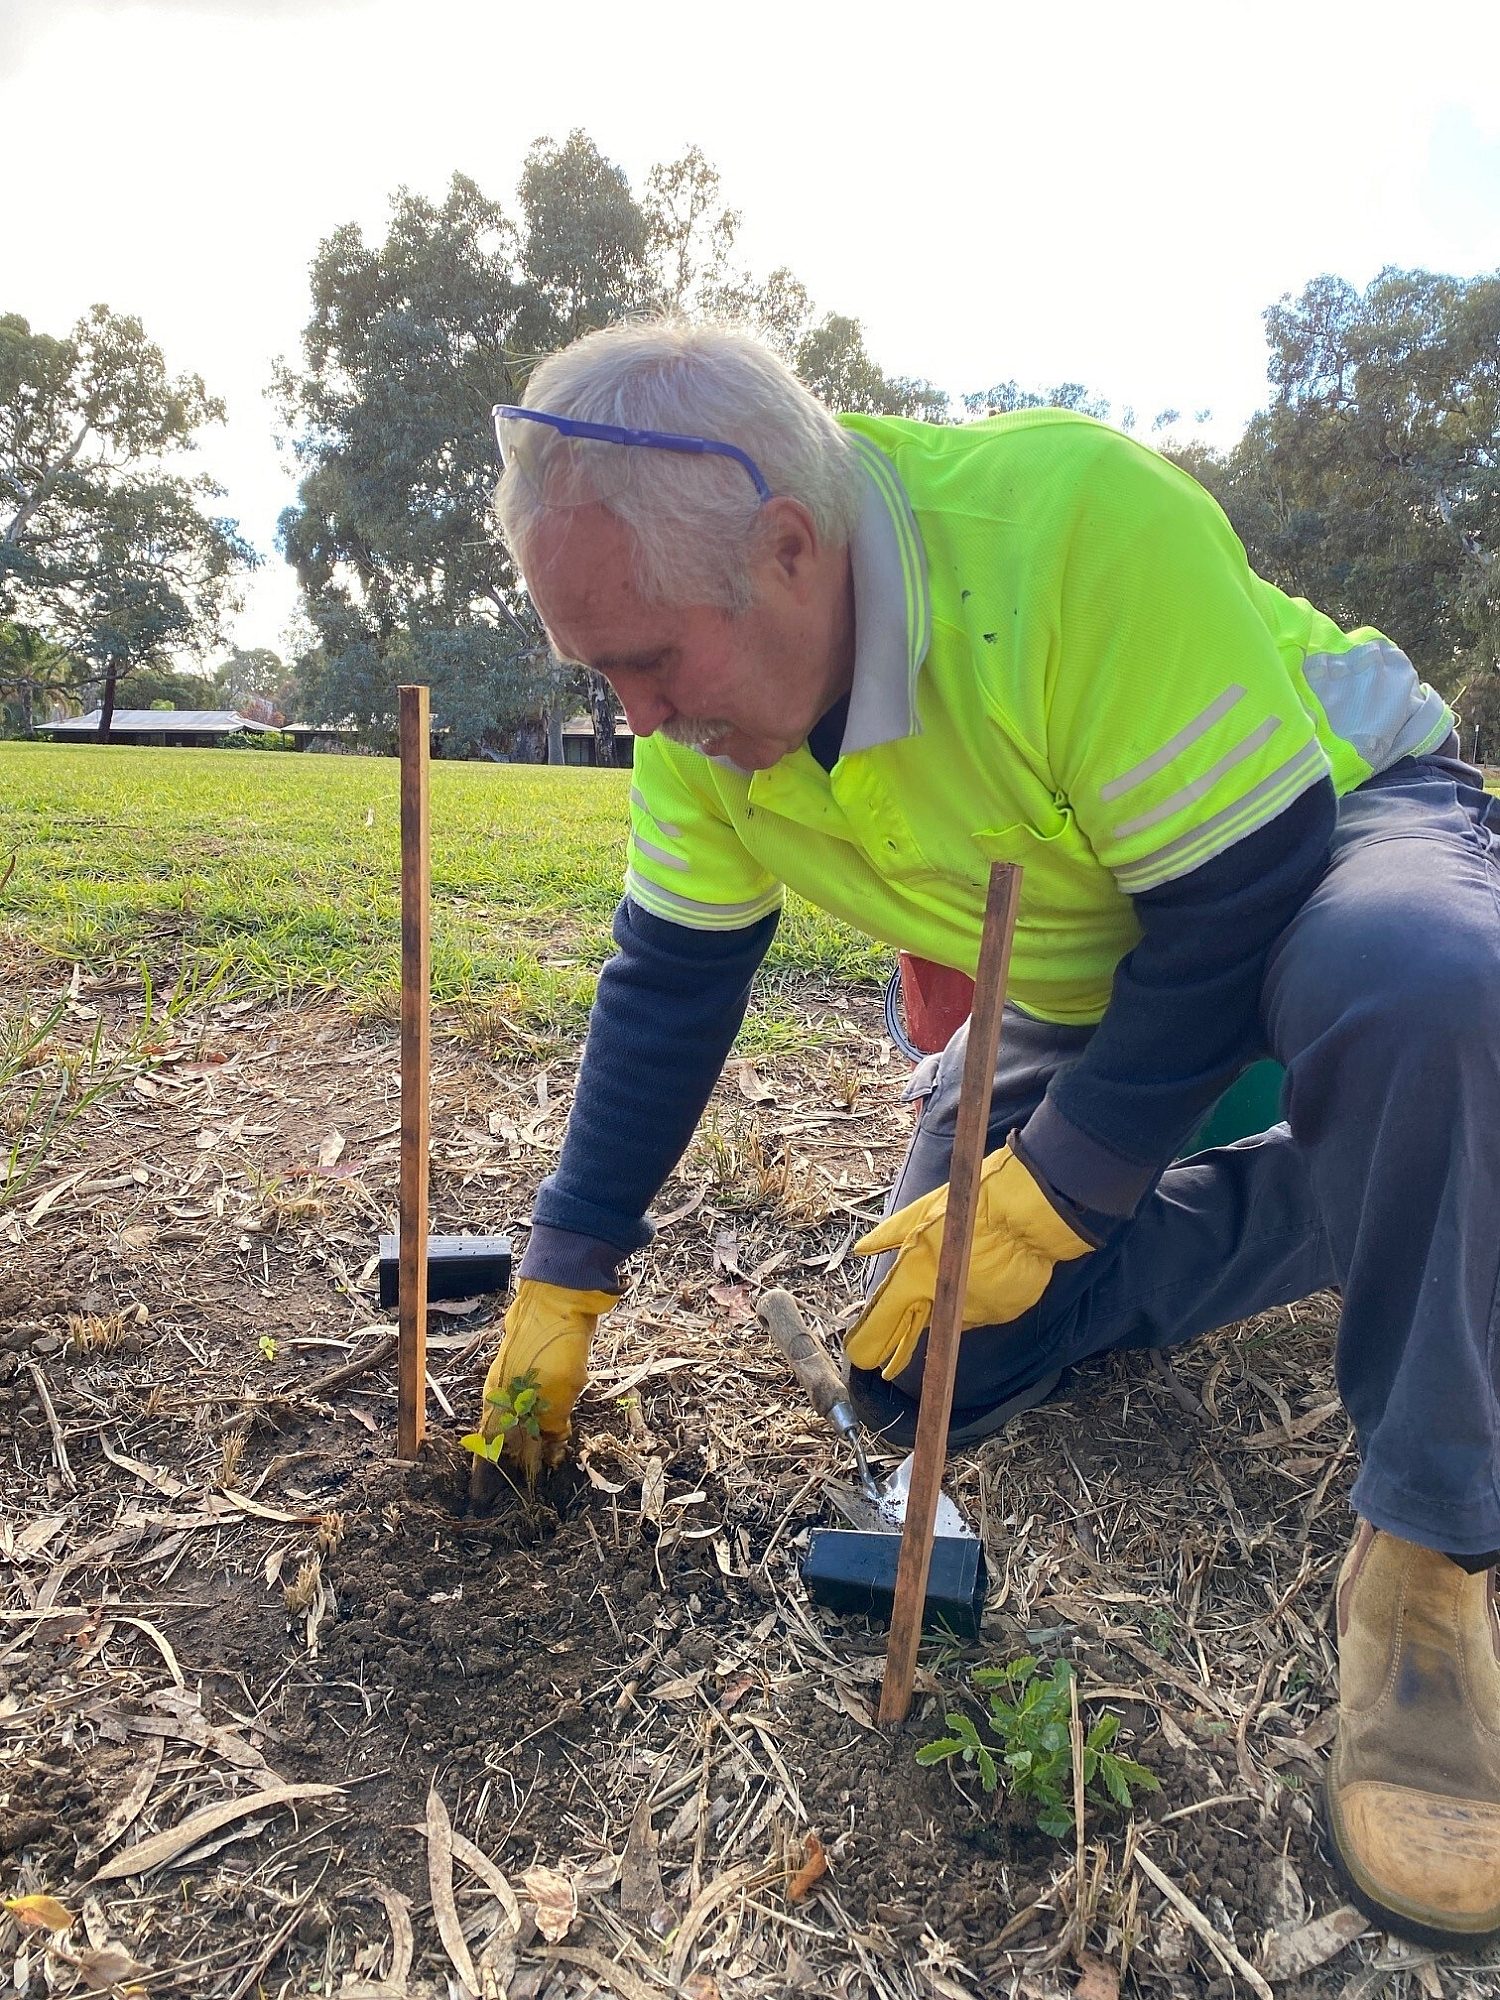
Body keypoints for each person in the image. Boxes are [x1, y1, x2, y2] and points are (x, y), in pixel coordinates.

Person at [474, 320, 1500, 1947]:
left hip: (1320, 854)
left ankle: (1433, 1556)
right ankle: (1358, 1196)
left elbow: (1233, 907)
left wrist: (1063, 1185)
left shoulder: (1071, 534)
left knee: (1437, 987)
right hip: (1090, 967)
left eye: (651, 667)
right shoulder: (695, 712)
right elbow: (671, 981)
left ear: (791, 550)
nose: (635, 717)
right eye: (598, 677)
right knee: (932, 1363)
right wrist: (568, 1266)